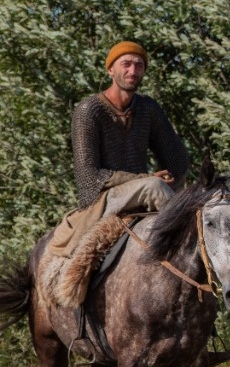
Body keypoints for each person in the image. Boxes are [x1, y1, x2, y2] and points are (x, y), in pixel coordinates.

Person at [48, 41, 190, 257]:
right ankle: (184, 248)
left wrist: (172, 177)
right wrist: (148, 178)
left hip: (141, 193)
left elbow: (178, 160)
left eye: (139, 65)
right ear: (111, 70)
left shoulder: (147, 109)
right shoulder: (89, 110)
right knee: (154, 186)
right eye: (126, 64)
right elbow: (91, 176)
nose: (132, 71)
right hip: (102, 198)